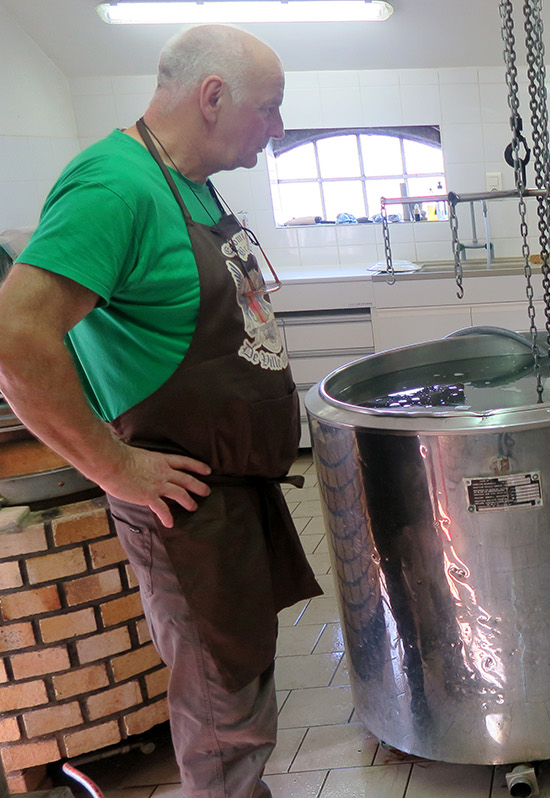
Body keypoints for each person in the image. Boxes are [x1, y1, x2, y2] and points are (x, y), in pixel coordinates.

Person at [0, 25, 318, 798]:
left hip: (234, 492)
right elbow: (15, 337)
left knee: (241, 674)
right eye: (268, 109)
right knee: (220, 703)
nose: (277, 128)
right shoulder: (115, 187)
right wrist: (113, 467)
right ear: (212, 97)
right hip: (185, 505)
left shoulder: (191, 182)